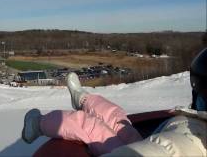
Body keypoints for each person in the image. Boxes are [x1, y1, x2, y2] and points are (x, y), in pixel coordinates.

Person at [22, 48, 207, 156]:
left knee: (89, 126)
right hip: (147, 140)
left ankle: (38, 124)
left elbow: (165, 150)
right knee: (119, 119)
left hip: (142, 147)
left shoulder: (187, 143)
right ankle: (83, 99)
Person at [21, 72, 142, 156]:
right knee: (116, 116)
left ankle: (38, 125)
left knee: (92, 128)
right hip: (149, 148)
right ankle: (82, 99)